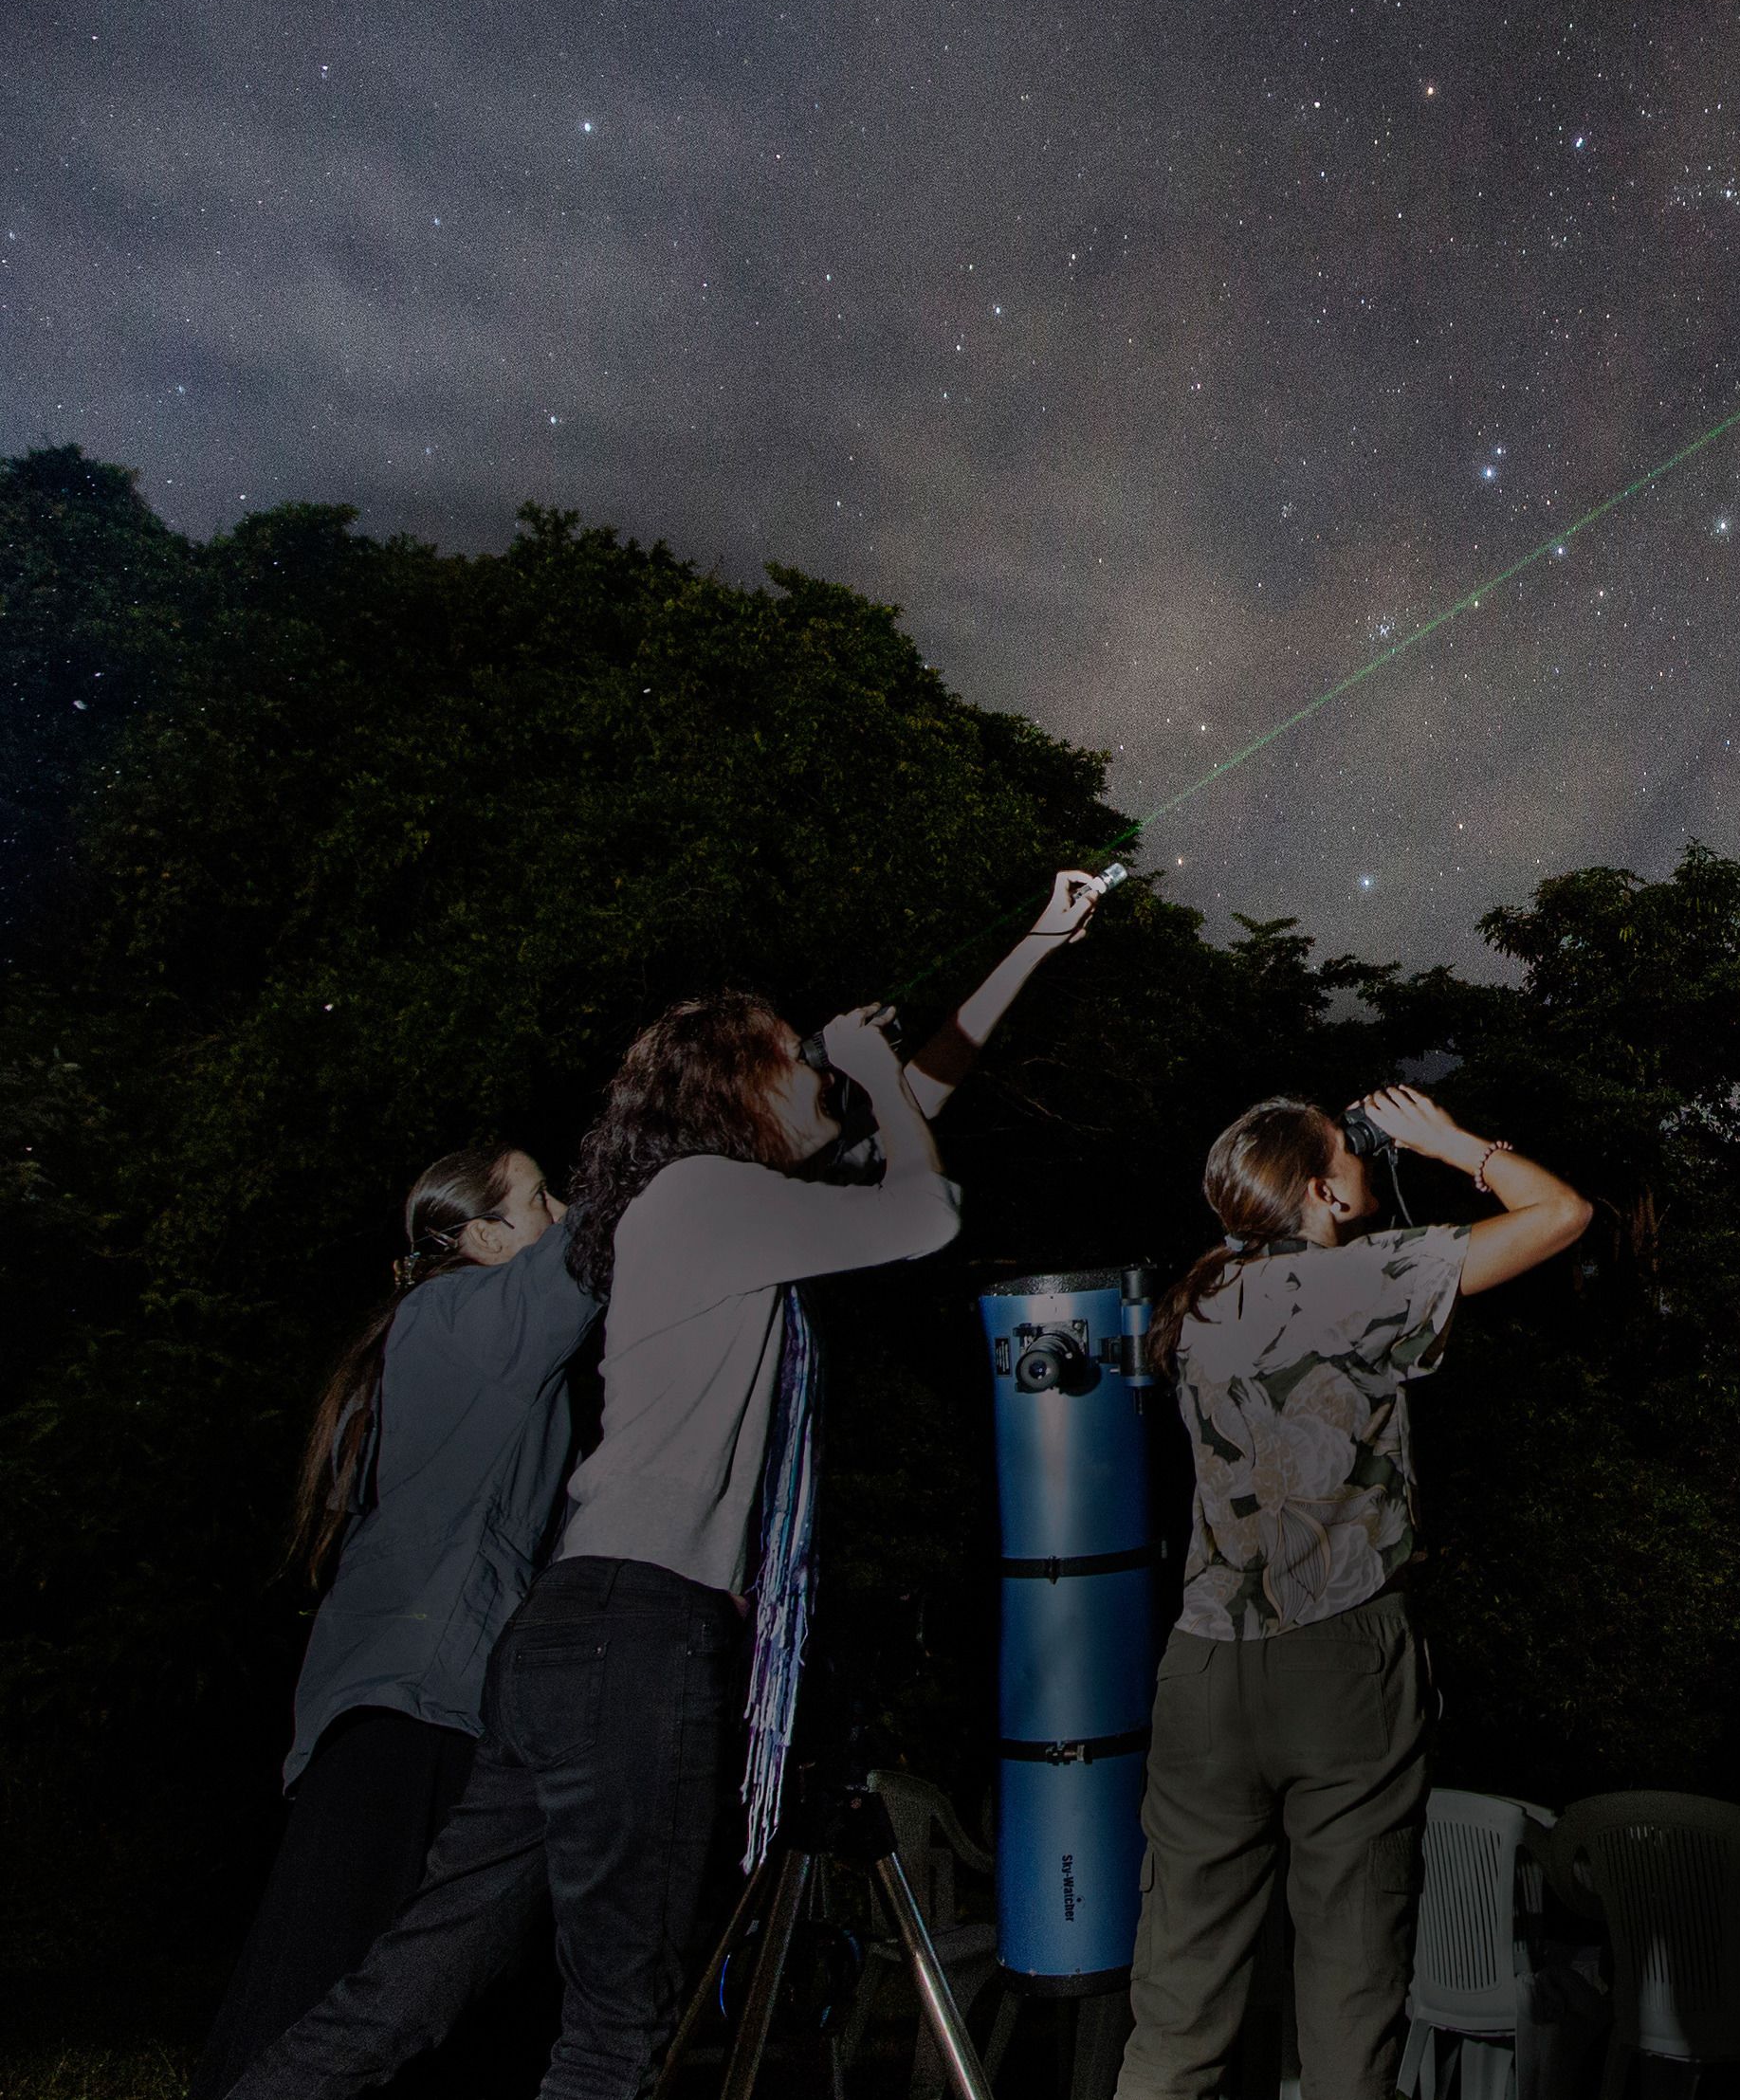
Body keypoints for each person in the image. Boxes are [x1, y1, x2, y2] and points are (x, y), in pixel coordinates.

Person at [229, 866, 1113, 2100]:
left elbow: (907, 1109)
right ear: (735, 1091)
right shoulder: (702, 1201)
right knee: (614, 2030)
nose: (819, 1073)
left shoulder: (710, 1208)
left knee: (408, 1993)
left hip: (571, 1640)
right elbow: (923, 1208)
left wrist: (1034, 944)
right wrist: (859, 1070)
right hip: (635, 1635)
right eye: (792, 1058)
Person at [1118, 1083, 1592, 2100]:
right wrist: (1447, 1140)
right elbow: (1560, 1215)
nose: (1368, 1161)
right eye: (1353, 1153)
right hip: (1336, 1656)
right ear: (1322, 1193)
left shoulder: (1194, 1298)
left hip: (1201, 1662)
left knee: (1177, 1998)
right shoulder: (1363, 1278)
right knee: (1347, 1990)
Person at [192, 1142, 588, 2100]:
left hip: (424, 1700)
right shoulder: (461, 1315)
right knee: (322, 1996)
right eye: (544, 1198)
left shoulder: (472, 1325)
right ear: (489, 1235)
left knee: (404, 2001)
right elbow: (602, 1251)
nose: (566, 1209)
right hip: (411, 1705)